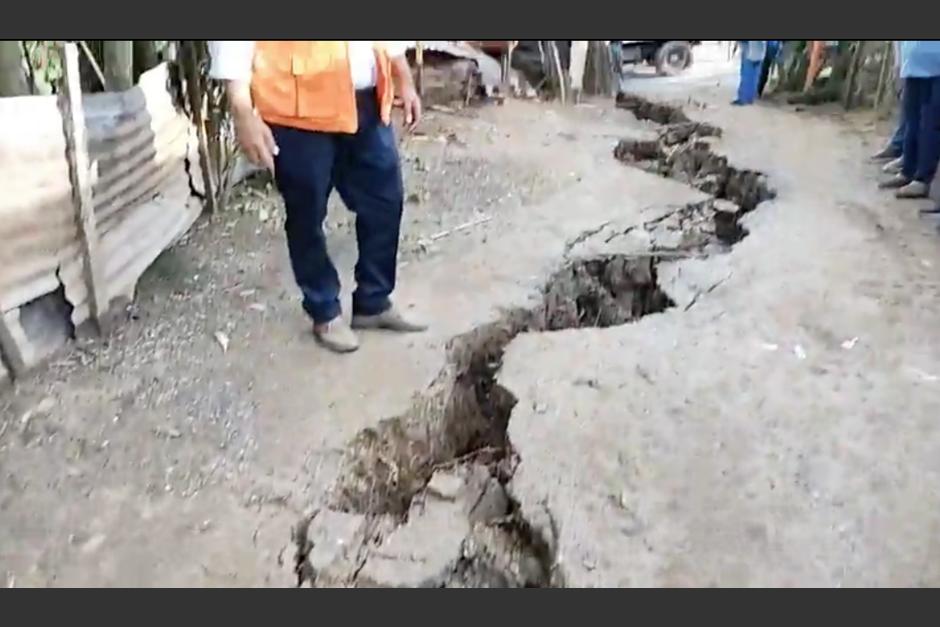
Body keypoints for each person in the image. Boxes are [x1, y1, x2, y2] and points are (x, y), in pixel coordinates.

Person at [209, 41, 426, 354]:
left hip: (365, 99)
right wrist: (242, 111)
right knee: (306, 213)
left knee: (385, 200)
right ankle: (324, 310)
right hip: (298, 108)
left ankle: (373, 301)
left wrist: (401, 74)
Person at [879, 41, 940, 200]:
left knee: (930, 124)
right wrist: (898, 64)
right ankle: (908, 170)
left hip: (935, 66)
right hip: (913, 64)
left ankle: (922, 179)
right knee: (912, 122)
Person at [733, 41, 767, 106]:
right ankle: (750, 98)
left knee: (746, 76)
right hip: (760, 54)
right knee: (754, 77)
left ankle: (743, 98)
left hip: (750, 53)